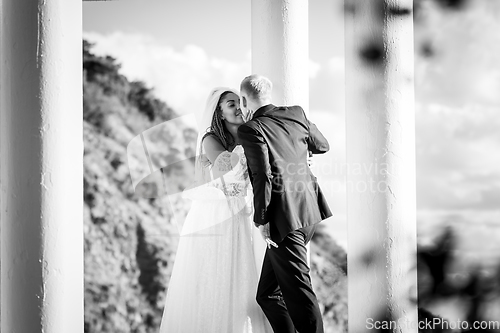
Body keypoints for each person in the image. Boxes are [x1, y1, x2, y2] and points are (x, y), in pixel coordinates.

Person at [158, 87, 272, 333]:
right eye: (231, 104)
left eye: (239, 102)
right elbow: (225, 171)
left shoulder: (249, 134)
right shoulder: (210, 139)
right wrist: (249, 146)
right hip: (216, 213)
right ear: (219, 113)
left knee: (241, 278)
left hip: (242, 210)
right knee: (215, 275)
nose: (238, 107)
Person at [237, 74, 332, 333]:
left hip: (284, 221)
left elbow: (262, 176)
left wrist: (262, 220)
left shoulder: (251, 129)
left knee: (300, 293)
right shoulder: (296, 114)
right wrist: (299, 155)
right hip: (309, 213)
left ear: (244, 100)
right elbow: (322, 145)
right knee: (268, 294)